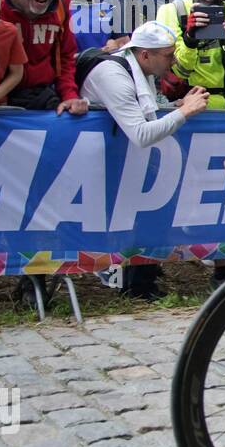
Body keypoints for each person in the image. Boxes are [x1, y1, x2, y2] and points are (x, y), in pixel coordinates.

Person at [79, 20, 210, 299]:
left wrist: (174, 107)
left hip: (112, 150)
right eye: (168, 55)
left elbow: (145, 113)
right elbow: (140, 133)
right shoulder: (115, 76)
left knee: (151, 206)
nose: (173, 61)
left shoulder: (139, 68)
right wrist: (184, 113)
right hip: (91, 157)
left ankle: (141, 276)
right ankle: (136, 283)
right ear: (145, 54)